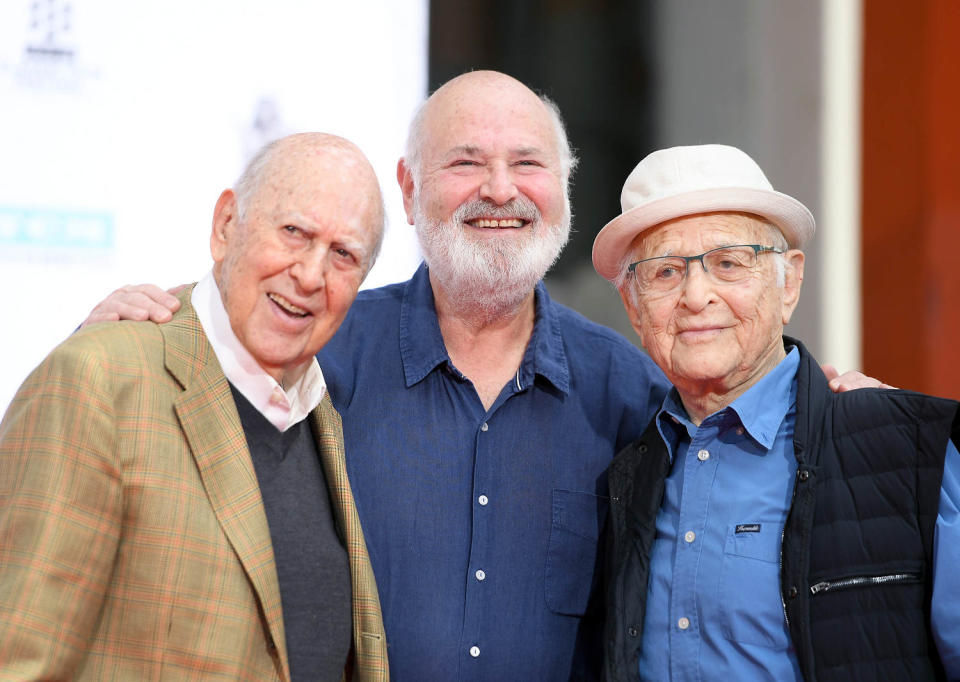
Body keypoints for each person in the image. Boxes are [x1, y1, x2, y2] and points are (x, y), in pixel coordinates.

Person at [78, 72, 878, 680]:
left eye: (526, 163)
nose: (500, 189)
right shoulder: (316, 354)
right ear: (410, 188)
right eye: (466, 161)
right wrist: (137, 342)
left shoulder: (633, 396)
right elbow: (169, 442)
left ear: (560, 191)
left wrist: (837, 411)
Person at [0, 133, 389, 681]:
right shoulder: (100, 378)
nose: (309, 275)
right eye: (294, 233)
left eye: (343, 255)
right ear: (226, 224)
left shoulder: (326, 416)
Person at [592, 143, 960, 681]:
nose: (696, 296)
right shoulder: (625, 474)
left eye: (728, 263)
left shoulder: (913, 453)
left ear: (789, 281)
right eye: (665, 272)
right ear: (633, 305)